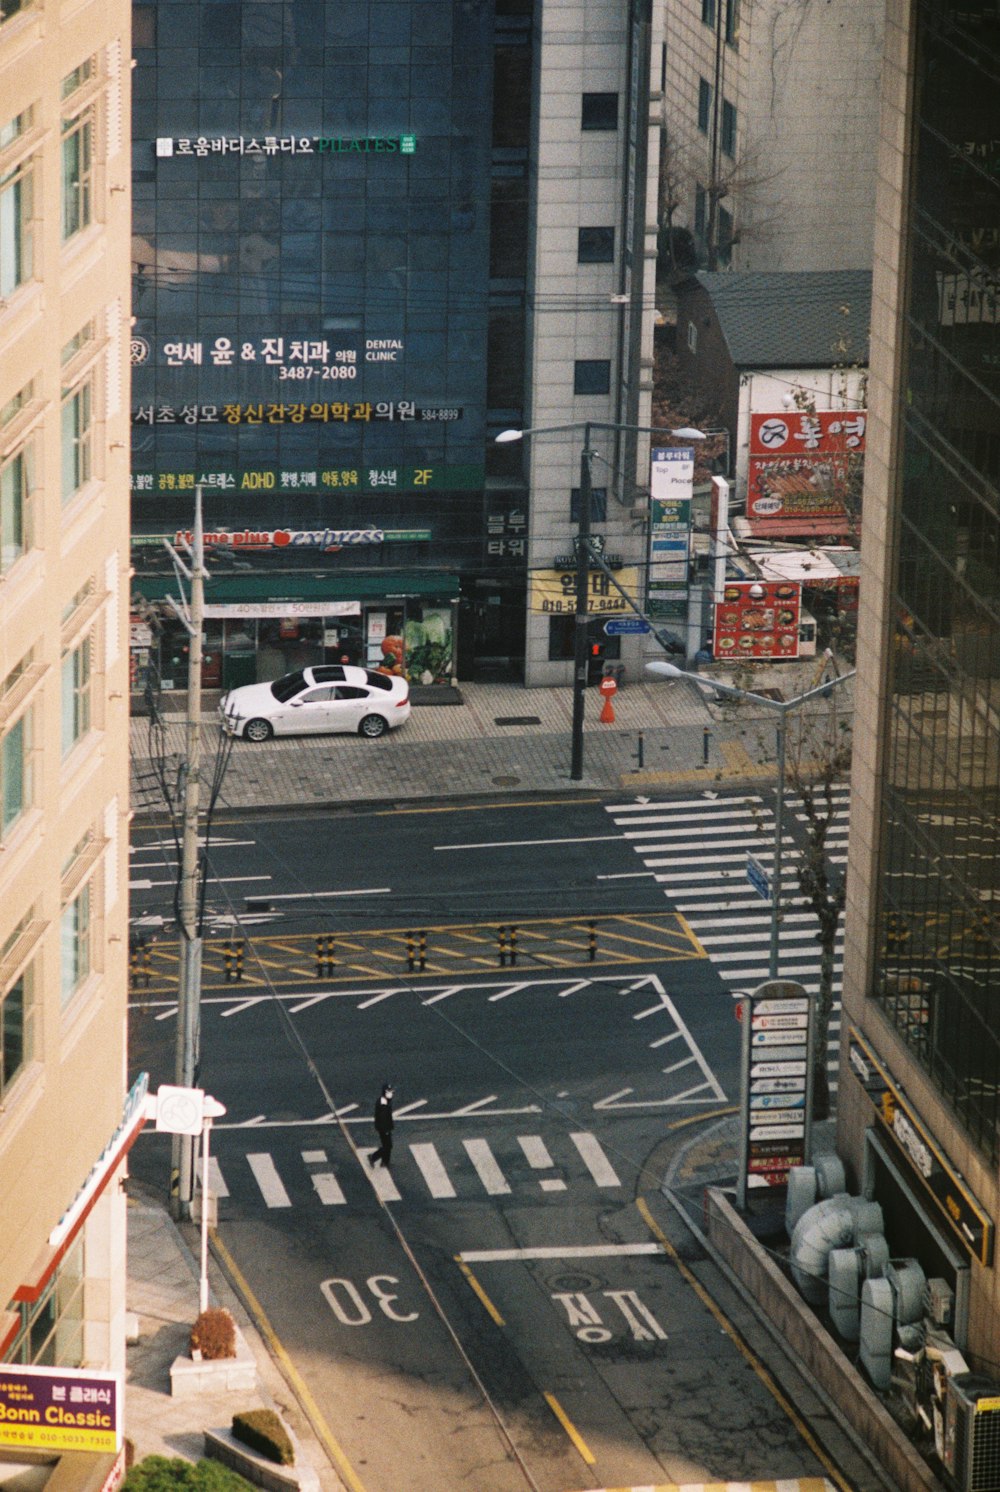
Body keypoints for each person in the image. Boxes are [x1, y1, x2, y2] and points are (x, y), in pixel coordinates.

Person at [370, 1082, 394, 1168]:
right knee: (387, 1146)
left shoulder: (384, 1100)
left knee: (387, 1145)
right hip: (384, 1128)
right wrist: (386, 1130)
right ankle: (374, 1157)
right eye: (389, 1092)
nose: (391, 1094)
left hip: (384, 1127)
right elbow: (383, 1118)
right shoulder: (383, 1103)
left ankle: (385, 1161)